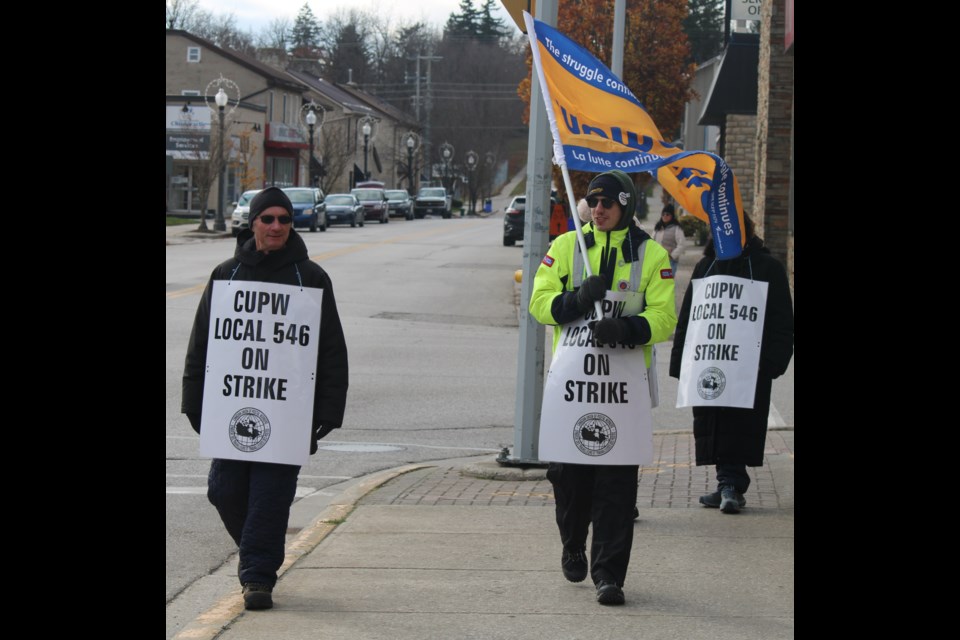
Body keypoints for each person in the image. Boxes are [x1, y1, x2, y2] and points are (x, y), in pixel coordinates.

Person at [181, 187, 349, 610]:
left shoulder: (310, 277)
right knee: (224, 490)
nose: (277, 226)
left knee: (270, 497)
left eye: (284, 219)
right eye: (268, 218)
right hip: (233, 410)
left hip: (287, 413)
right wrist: (194, 402)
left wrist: (328, 409)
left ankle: (257, 578)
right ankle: (258, 552)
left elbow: (330, 348)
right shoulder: (227, 274)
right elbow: (202, 344)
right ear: (252, 222)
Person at [529, 170, 677, 606]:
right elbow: (539, 303)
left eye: (608, 202)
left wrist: (627, 328)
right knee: (569, 481)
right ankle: (572, 543)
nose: (599, 209)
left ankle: (609, 575)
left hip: (622, 392)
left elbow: (664, 318)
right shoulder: (566, 247)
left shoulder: (651, 256)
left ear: (626, 206)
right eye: (594, 202)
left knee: (616, 488)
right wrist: (575, 300)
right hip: (573, 389)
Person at [668, 215, 793, 514]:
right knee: (715, 422)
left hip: (751, 368)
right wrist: (681, 361)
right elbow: (688, 318)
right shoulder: (705, 267)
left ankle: (732, 485)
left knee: (739, 423)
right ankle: (727, 482)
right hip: (709, 363)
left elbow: (782, 322)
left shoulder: (767, 268)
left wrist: (771, 363)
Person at [652, 204, 685, 275]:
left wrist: (671, 256)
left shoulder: (677, 228)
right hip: (657, 261)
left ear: (672, 216)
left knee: (667, 282)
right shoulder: (658, 228)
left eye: (667, 214)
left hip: (670, 262)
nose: (665, 216)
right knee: (658, 283)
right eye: (663, 214)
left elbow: (681, 245)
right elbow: (652, 242)